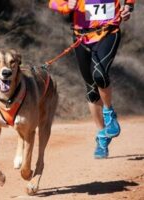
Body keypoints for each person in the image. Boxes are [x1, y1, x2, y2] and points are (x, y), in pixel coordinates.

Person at [48, 0, 136, 158]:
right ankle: (102, 136)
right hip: (81, 37)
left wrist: (128, 7)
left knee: (99, 74)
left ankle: (109, 114)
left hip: (109, 32)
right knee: (91, 88)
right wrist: (66, 7)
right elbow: (53, 3)